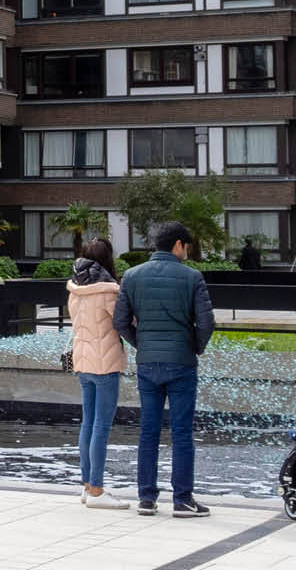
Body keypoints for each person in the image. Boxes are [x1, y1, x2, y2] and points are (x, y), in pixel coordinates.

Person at [114, 222, 217, 518]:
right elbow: (206, 322)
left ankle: (146, 498)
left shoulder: (132, 276)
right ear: (178, 245)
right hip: (181, 362)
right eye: (187, 246)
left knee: (148, 431)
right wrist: (194, 347)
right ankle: (182, 500)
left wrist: (142, 344)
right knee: (182, 432)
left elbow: (120, 321)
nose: (188, 252)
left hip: (147, 363)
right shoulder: (192, 277)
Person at [66, 238, 129, 509]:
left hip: (83, 362)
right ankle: (97, 490)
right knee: (101, 426)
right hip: (105, 365)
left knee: (88, 423)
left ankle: (87, 486)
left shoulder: (75, 289)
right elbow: (124, 321)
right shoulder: (108, 291)